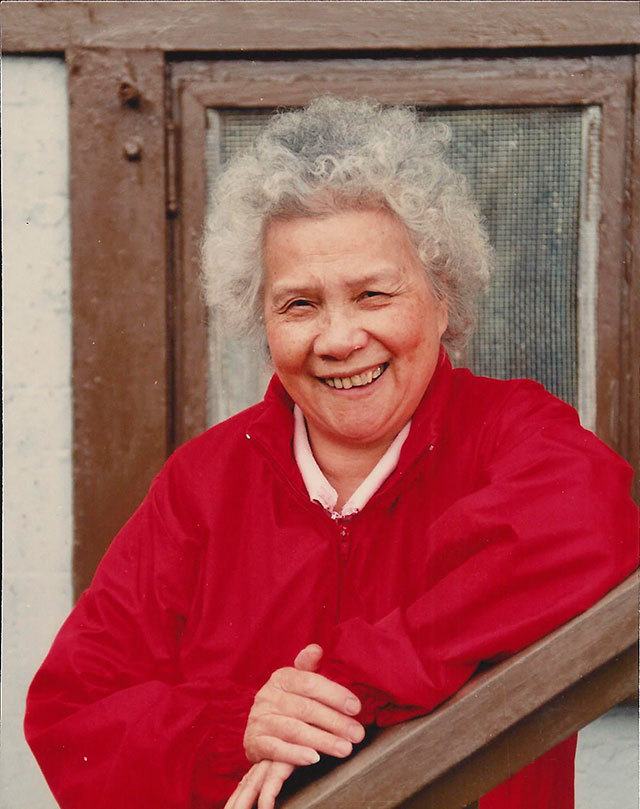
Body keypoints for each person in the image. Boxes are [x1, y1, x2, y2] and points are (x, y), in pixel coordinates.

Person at [25, 97, 638, 809]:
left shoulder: (515, 434)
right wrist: (238, 729)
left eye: (373, 294)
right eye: (299, 304)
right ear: (261, 321)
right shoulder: (202, 484)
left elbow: (595, 530)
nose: (340, 339)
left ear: (442, 298)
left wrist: (355, 683)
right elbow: (73, 713)